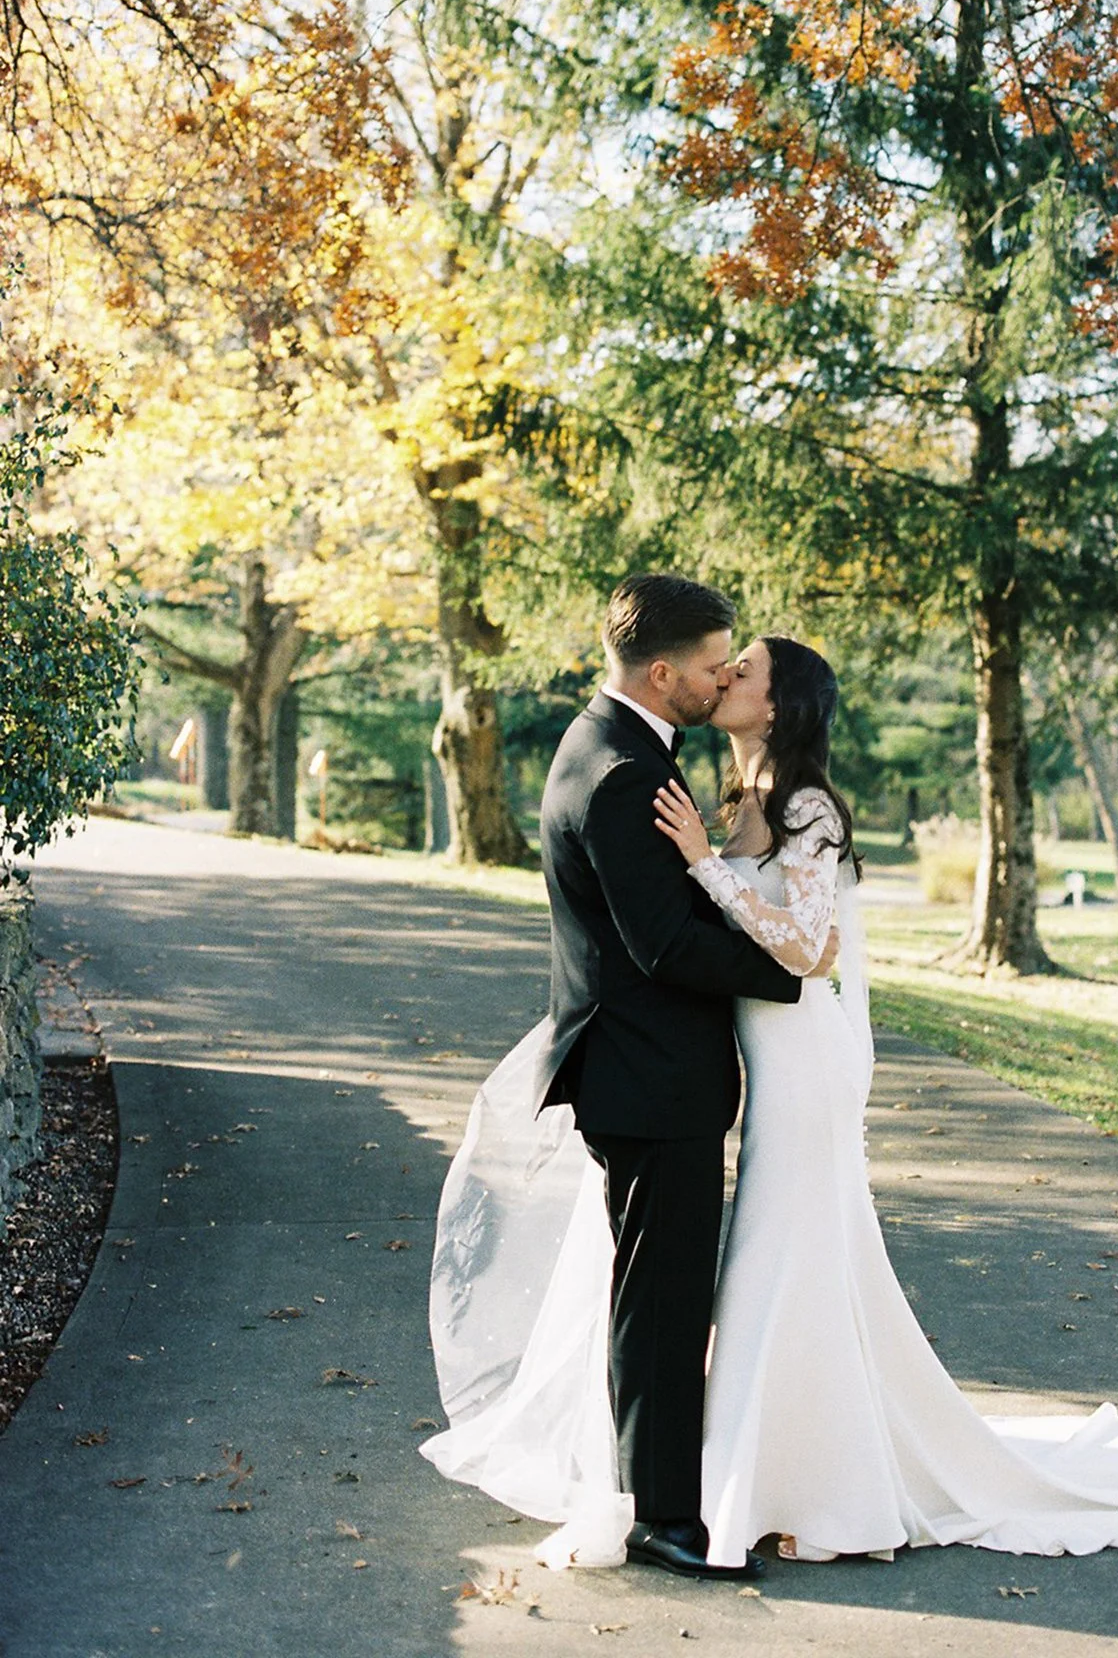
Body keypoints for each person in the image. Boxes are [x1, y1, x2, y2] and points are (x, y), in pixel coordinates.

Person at [422, 621, 1118, 1574]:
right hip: (758, 1047)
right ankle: (756, 1469)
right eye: (723, 666)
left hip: (804, 1058)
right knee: (770, 1251)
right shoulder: (737, 796)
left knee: (786, 1245)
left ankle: (805, 1481)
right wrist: (708, 857)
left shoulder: (809, 810)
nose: (725, 681)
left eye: (741, 672)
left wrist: (706, 865)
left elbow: (806, 949)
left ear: (778, 704)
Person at [422, 574, 818, 1581]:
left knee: (659, 1292)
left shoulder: (612, 742)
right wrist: (790, 971)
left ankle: (659, 1493)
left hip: (642, 1073)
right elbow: (662, 945)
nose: (721, 676)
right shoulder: (622, 773)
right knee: (662, 1301)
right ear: (660, 672)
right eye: (710, 664)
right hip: (649, 1078)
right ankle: (662, 1515)